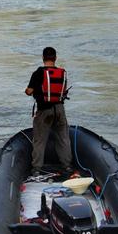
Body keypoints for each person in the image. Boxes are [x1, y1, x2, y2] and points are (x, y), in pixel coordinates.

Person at [25, 47, 72, 176]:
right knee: (63, 139)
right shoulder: (62, 73)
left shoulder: (38, 73)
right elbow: (63, 90)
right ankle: (67, 166)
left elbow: (29, 91)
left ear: (43, 58)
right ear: (55, 58)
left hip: (44, 111)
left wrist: (31, 90)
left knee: (39, 140)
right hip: (60, 110)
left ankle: (36, 169)